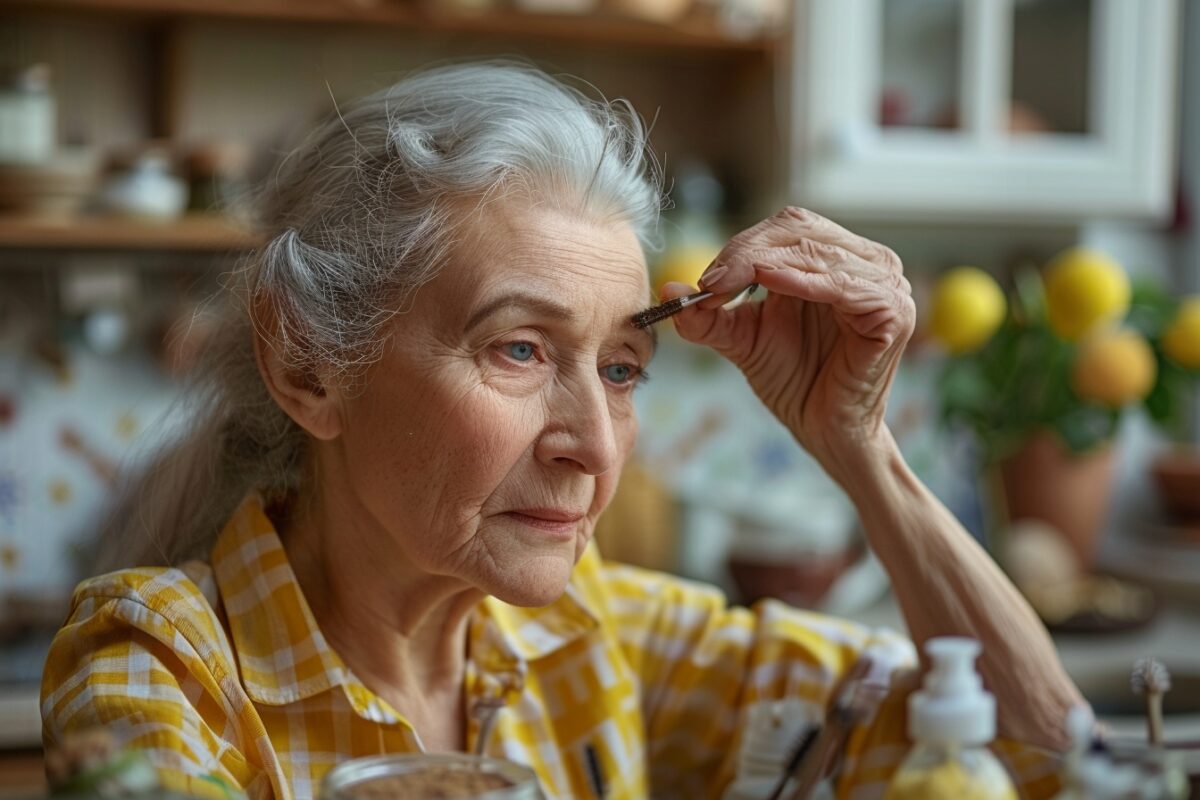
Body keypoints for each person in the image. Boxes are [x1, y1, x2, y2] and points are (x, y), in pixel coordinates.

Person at [41, 61, 1082, 800]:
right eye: (521, 349)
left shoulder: (589, 636)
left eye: (622, 366)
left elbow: (1032, 753)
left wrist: (863, 447)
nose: (592, 441)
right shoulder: (162, 660)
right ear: (309, 365)